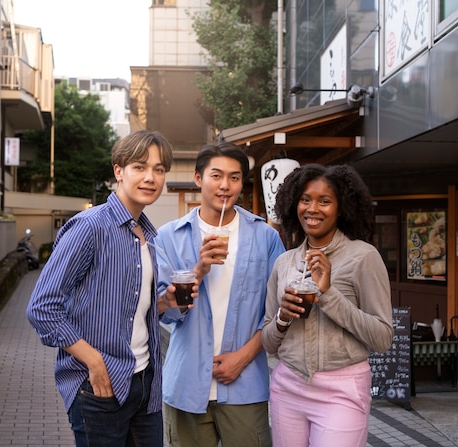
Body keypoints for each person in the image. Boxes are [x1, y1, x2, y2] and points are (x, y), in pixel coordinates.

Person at [26, 130, 174, 447]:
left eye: (159, 169)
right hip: (99, 384)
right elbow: (42, 309)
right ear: (119, 171)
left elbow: (125, 306)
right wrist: (93, 361)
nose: (151, 177)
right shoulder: (90, 227)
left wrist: (162, 303)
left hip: (145, 379)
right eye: (140, 167)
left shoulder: (148, 235)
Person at [154, 142, 285, 447]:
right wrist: (197, 271)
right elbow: (163, 312)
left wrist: (243, 357)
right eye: (216, 175)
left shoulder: (265, 236)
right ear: (199, 179)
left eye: (235, 177)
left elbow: (278, 312)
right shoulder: (169, 236)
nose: (225, 185)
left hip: (245, 384)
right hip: (186, 382)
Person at [261, 163, 394, 447]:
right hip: (288, 385)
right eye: (305, 199)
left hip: (342, 390)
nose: (313, 209)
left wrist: (328, 293)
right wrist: (283, 318)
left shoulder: (363, 257)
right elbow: (269, 343)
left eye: (325, 201)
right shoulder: (284, 263)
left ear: (342, 207)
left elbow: (382, 338)